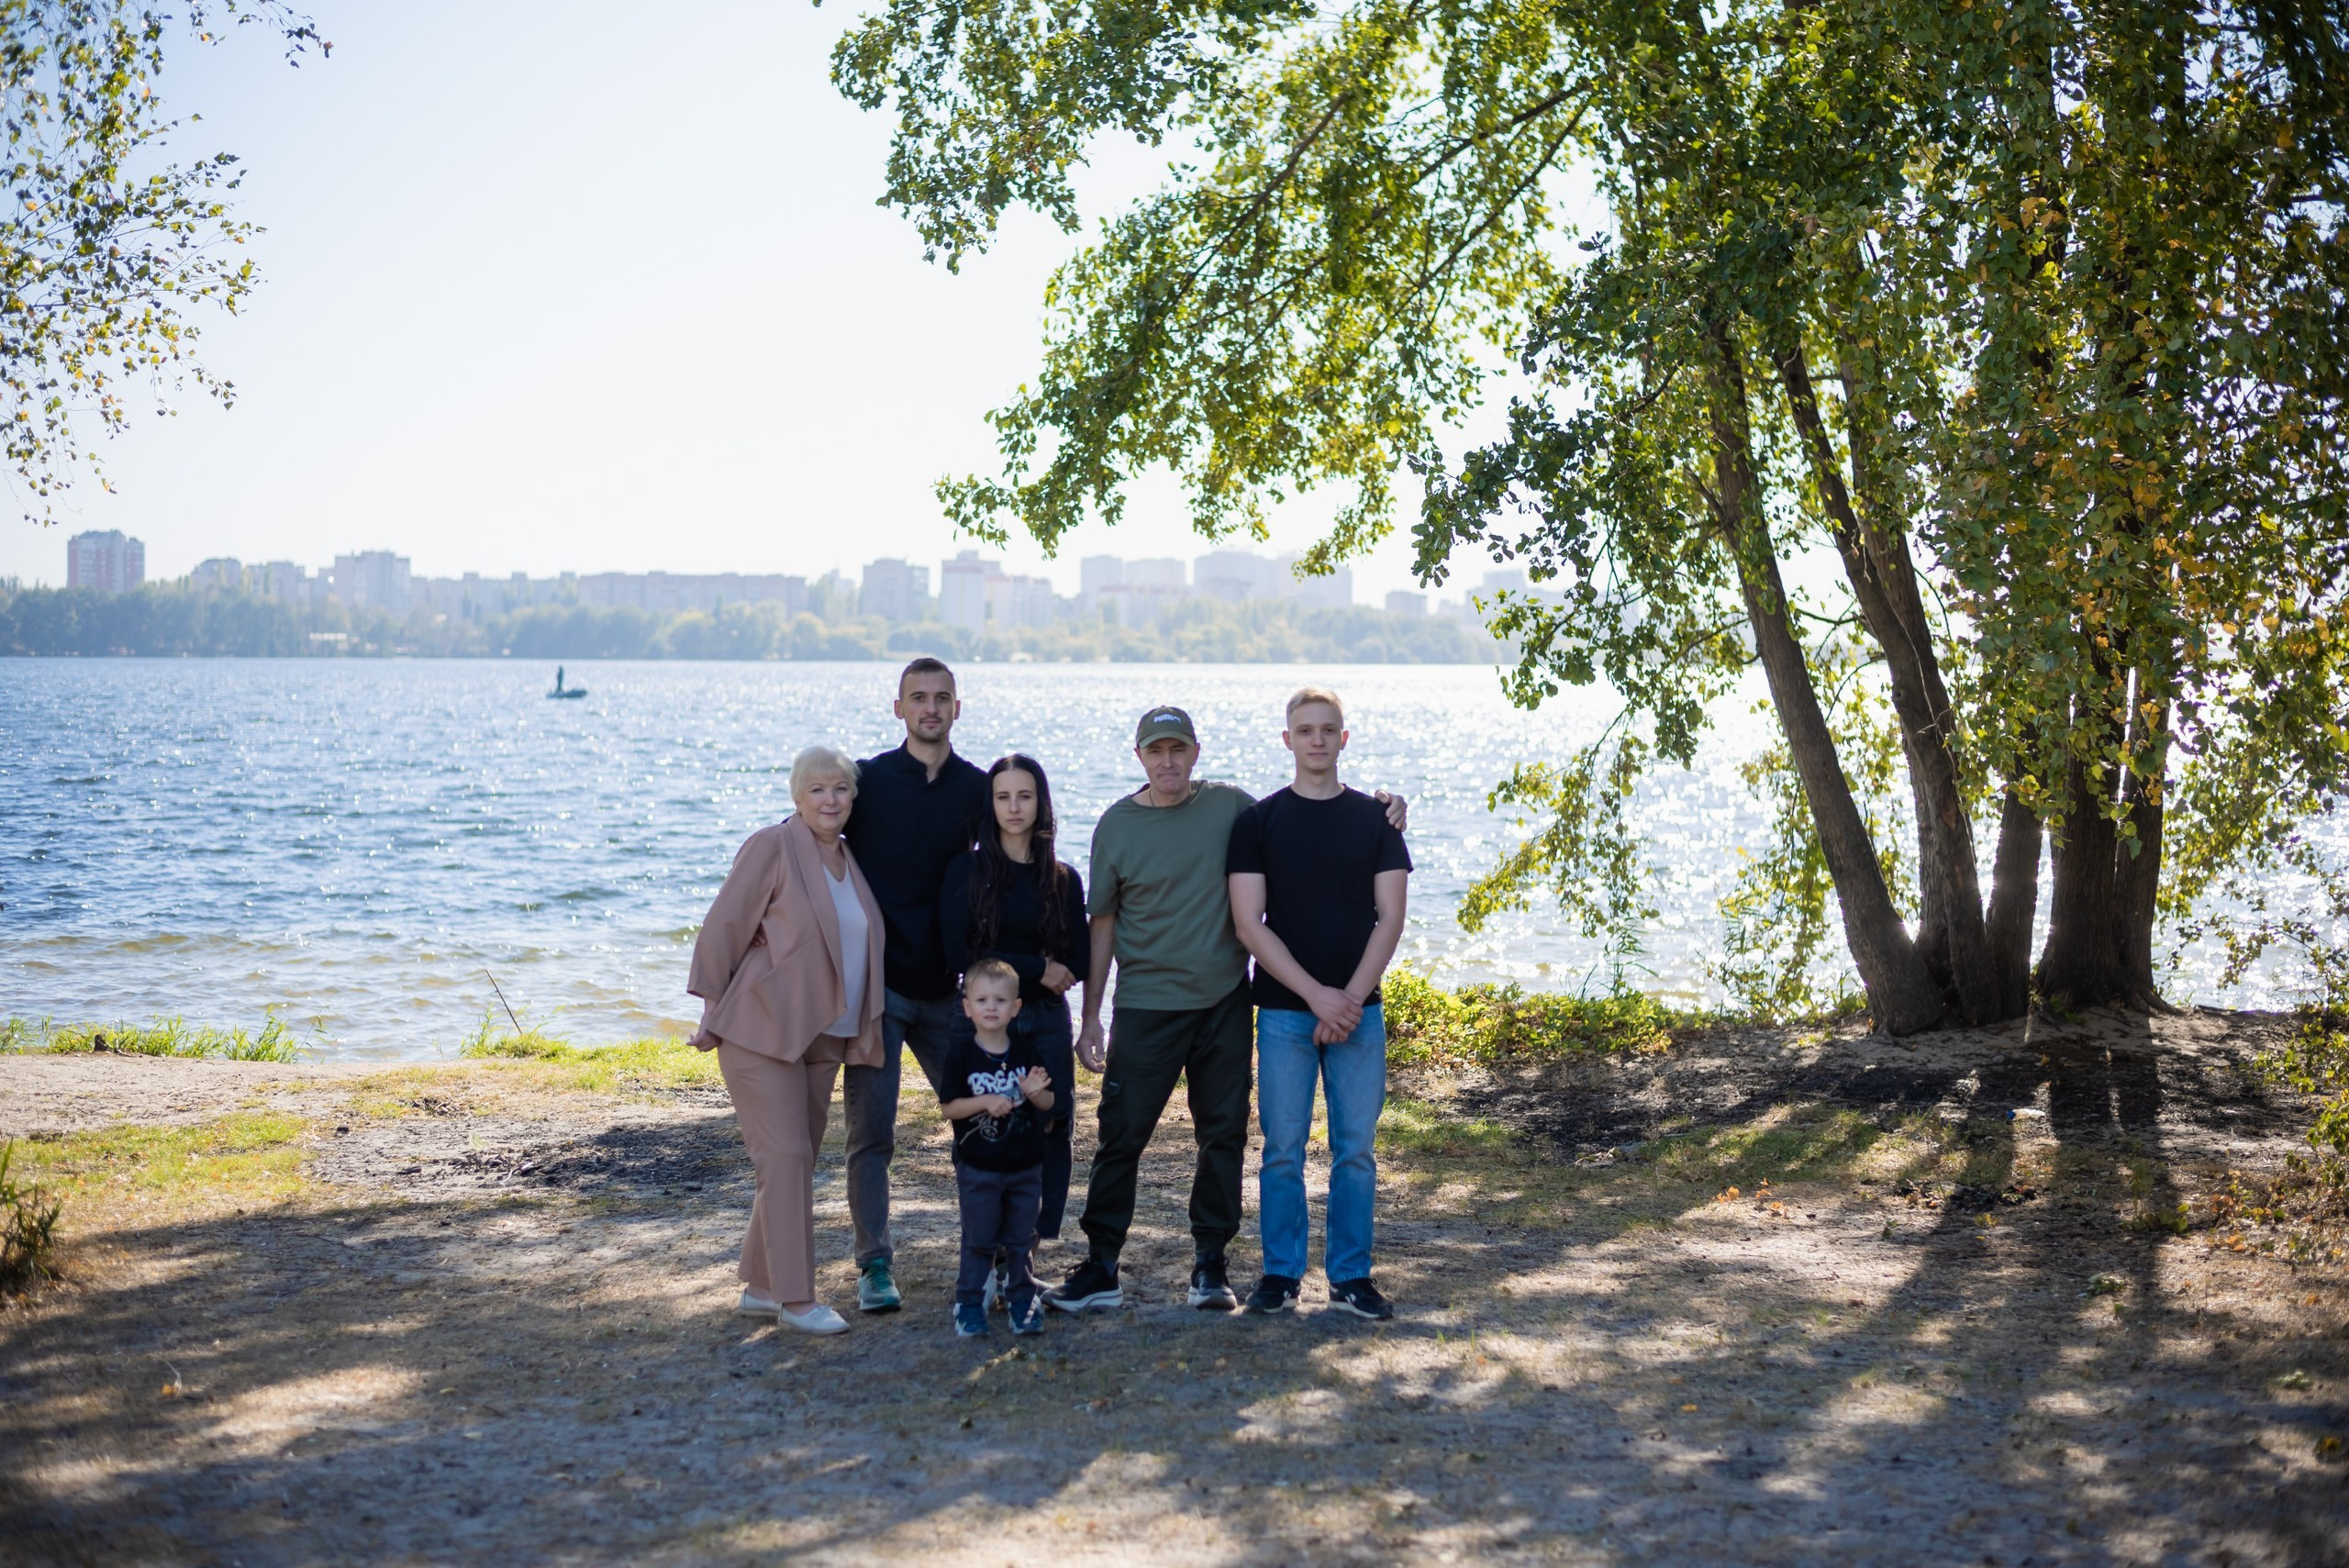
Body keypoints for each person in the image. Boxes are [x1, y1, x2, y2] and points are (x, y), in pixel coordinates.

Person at [1045, 705, 1408, 1316]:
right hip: (1146, 1006)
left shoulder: (1233, 809)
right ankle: (1102, 1263)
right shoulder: (1118, 824)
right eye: (1156, 750)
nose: (1168, 761)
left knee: (1225, 1138)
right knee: (1121, 1135)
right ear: (1139, 756)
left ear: (1196, 752)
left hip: (1222, 1005)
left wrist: (1388, 804)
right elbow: (1101, 924)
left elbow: (1318, 809)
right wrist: (1090, 1015)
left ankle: (1211, 1264)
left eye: (1178, 749)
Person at [685, 744, 886, 1337]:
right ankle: (796, 1299)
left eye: (841, 789)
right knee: (787, 1156)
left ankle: (760, 1285)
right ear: (797, 796)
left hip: (824, 1034)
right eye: (818, 789)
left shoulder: (849, 858)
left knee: (793, 1160)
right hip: (759, 1029)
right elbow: (725, 925)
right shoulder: (773, 845)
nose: (831, 799)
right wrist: (709, 1010)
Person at [1228, 687, 1411, 1320]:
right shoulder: (1258, 823)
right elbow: (1250, 924)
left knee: (1355, 1149)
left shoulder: (1376, 821)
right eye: (1304, 729)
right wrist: (1316, 996)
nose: (1315, 739)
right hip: (1283, 1010)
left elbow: (1390, 918)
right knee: (1282, 1146)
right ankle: (1280, 1273)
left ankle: (1351, 1276)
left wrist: (1351, 999)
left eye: (1327, 729)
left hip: (1361, 1013)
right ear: (1287, 739)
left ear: (1343, 738)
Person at [838, 657, 990, 1314]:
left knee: (985, 1122)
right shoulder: (866, 782)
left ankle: (996, 1252)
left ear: (959, 707)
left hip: (950, 990)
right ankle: (874, 1264)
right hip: (878, 989)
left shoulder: (979, 789)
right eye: (918, 697)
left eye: (942, 698)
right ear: (897, 707)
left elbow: (1009, 876)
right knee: (871, 1134)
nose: (931, 708)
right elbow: (810, 845)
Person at [941, 755, 1087, 1262]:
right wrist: (1035, 966)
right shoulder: (967, 869)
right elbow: (958, 954)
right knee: (985, 1126)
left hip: (1045, 1019)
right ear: (991, 804)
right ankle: (986, 1247)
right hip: (981, 1020)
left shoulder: (1062, 878)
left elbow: (1080, 958)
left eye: (1025, 796)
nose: (1014, 807)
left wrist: (1046, 972)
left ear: (1041, 802)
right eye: (1003, 797)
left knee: (1051, 1121)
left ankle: (1026, 1246)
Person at [936, 958, 1056, 1338]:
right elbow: (949, 1107)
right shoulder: (961, 1055)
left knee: (1021, 1238)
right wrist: (985, 1101)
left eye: (1001, 1000)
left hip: (1025, 1166)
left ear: (1016, 1007)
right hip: (978, 1167)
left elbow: (1049, 1103)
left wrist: (1036, 1094)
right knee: (980, 1238)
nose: (992, 1007)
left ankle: (1022, 1301)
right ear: (967, 1007)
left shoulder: (1026, 1052)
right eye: (983, 999)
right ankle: (969, 1303)